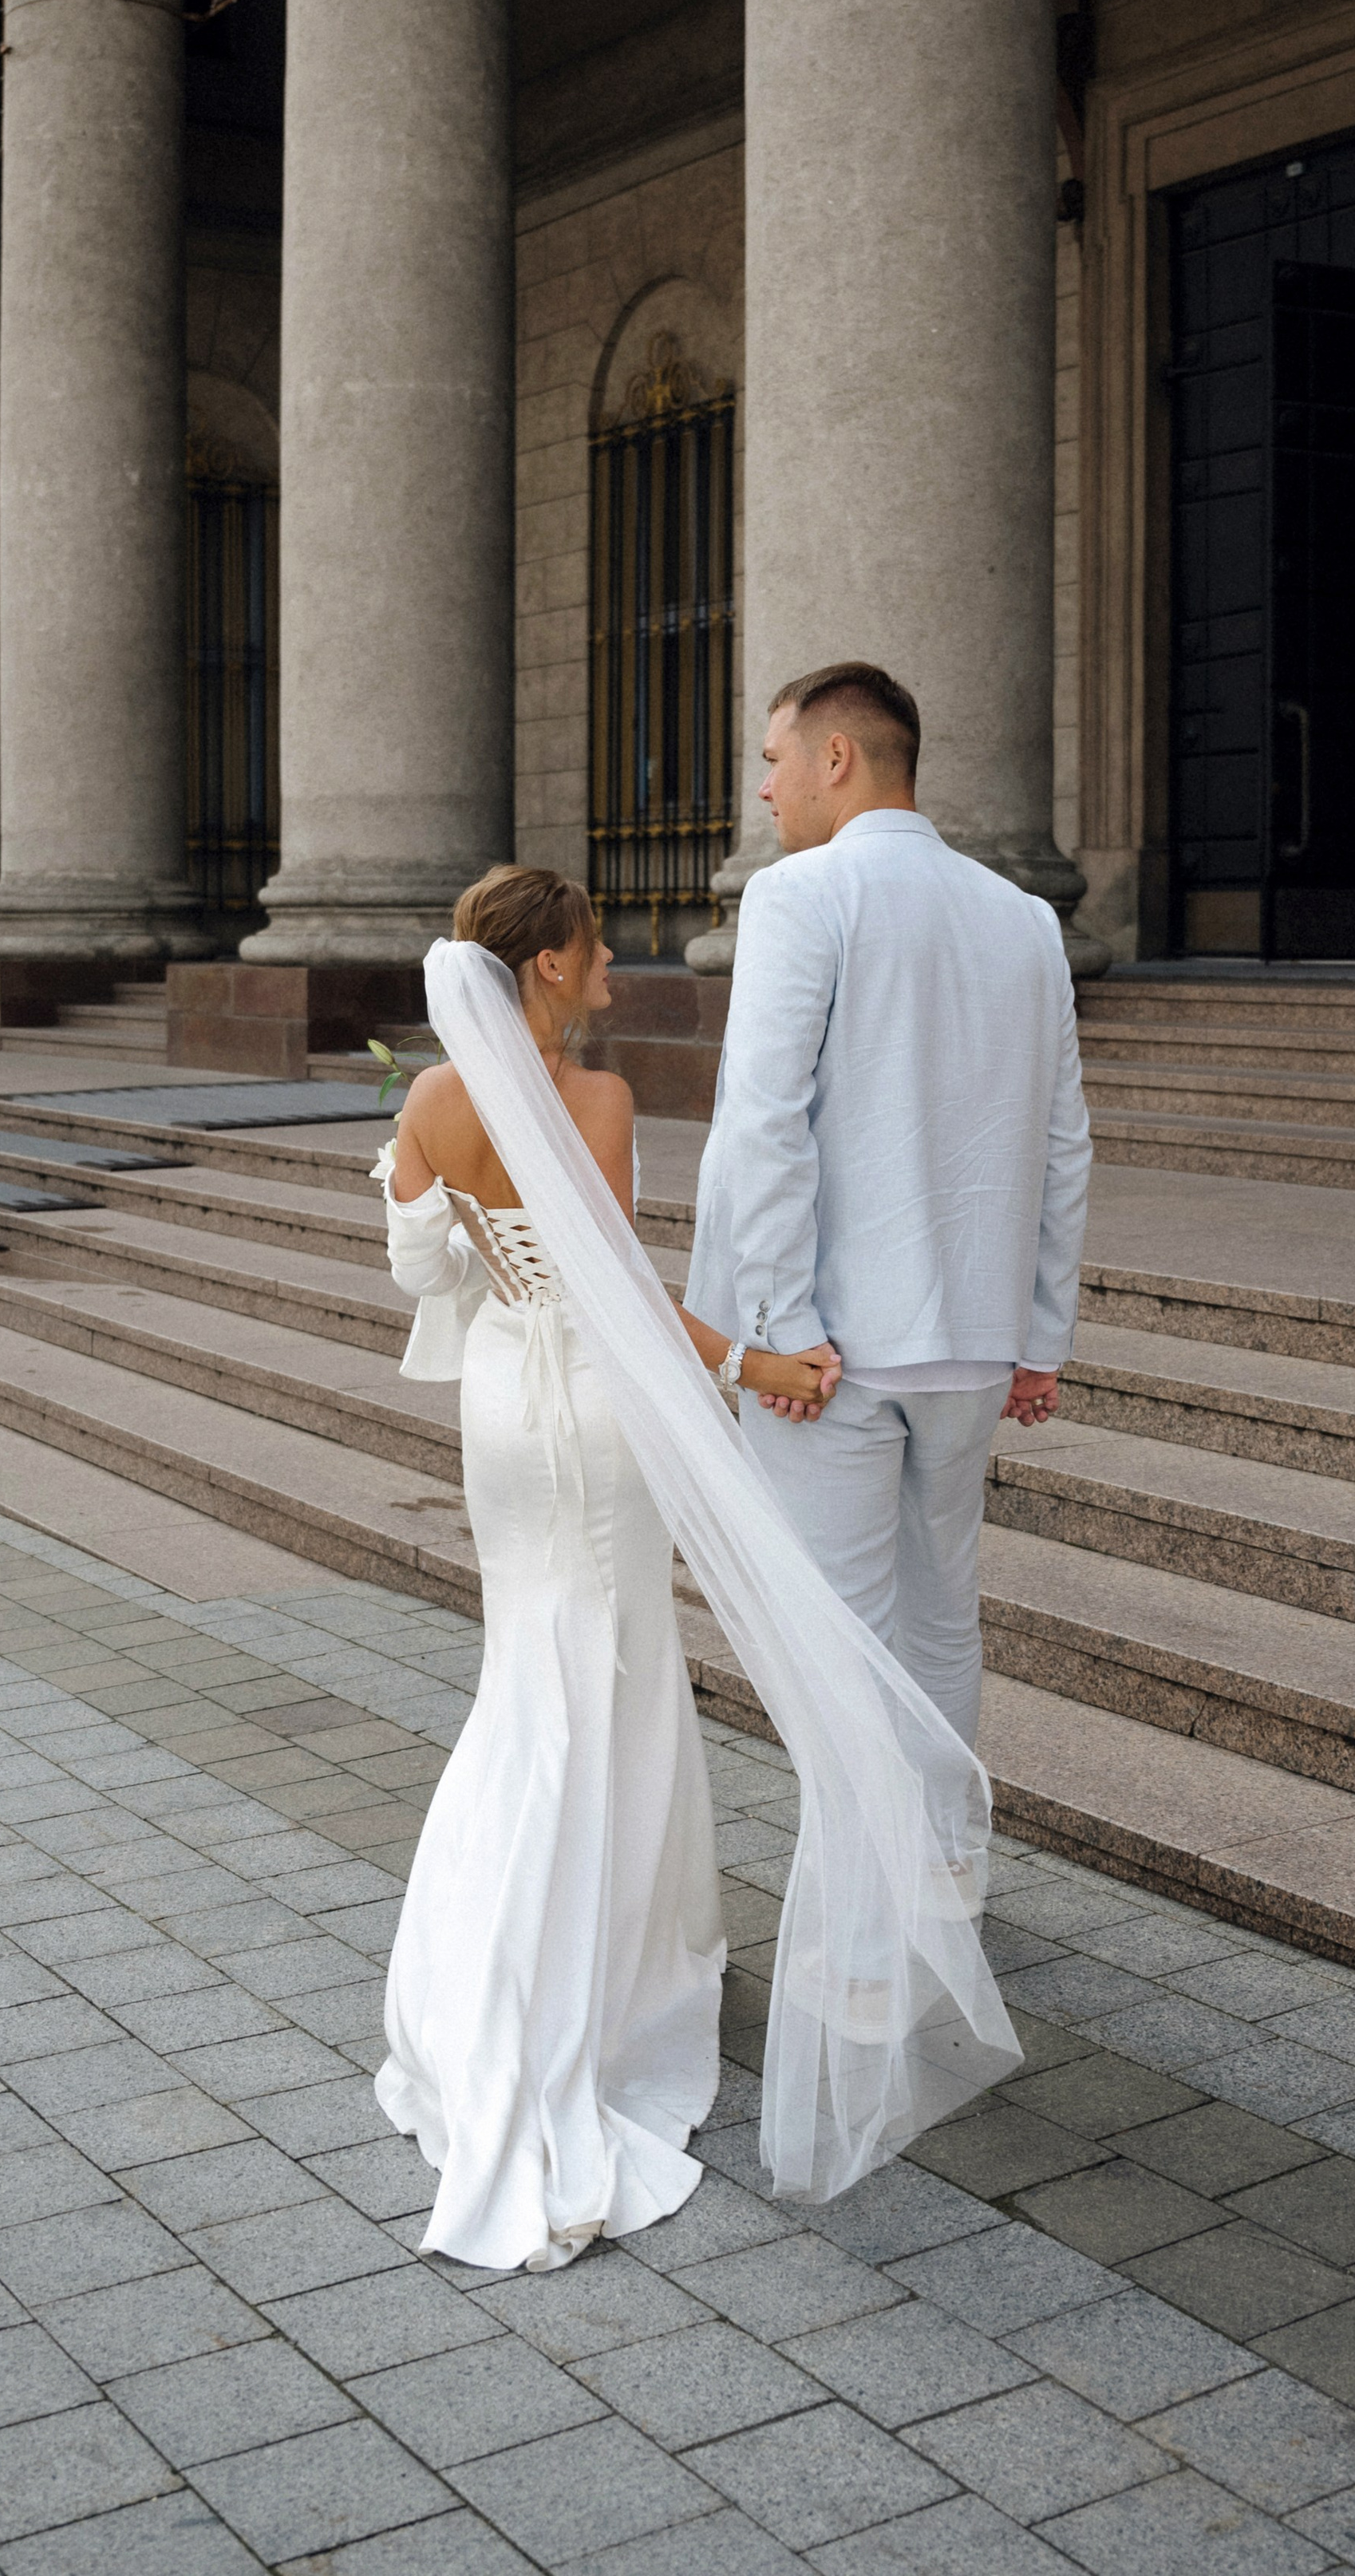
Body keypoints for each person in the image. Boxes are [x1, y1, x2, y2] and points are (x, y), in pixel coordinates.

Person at [376, 865, 1020, 2276]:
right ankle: (600, 1986)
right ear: (546, 966)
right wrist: (756, 1362)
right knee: (607, 1666)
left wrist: (453, 1212)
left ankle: (492, 1973)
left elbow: (429, 1276)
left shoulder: (429, 1101)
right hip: (597, 1412)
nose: (612, 964)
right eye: (595, 947)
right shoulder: (594, 1105)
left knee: (527, 1668)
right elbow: (617, 1297)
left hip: (498, 1409)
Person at [689, 661, 1093, 1752]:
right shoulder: (1024, 919)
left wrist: (776, 1329)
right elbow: (1063, 1142)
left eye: (773, 762)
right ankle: (945, 1882)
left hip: (832, 1352)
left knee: (836, 1646)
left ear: (838, 757)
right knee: (941, 1622)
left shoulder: (800, 895)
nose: (765, 791)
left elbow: (766, 1122)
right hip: (970, 1341)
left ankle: (873, 1922)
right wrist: (1040, 1335)